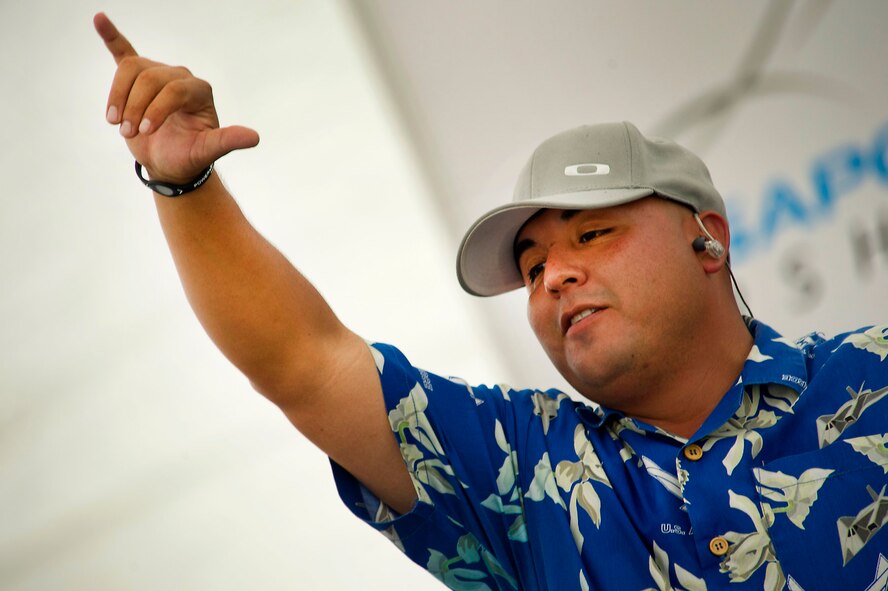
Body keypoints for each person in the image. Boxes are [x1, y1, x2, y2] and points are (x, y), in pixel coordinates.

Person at [94, 12, 888, 591]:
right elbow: (304, 362)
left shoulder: (874, 375)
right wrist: (182, 183)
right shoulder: (522, 464)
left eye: (593, 233)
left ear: (706, 238)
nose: (553, 276)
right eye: (533, 262)